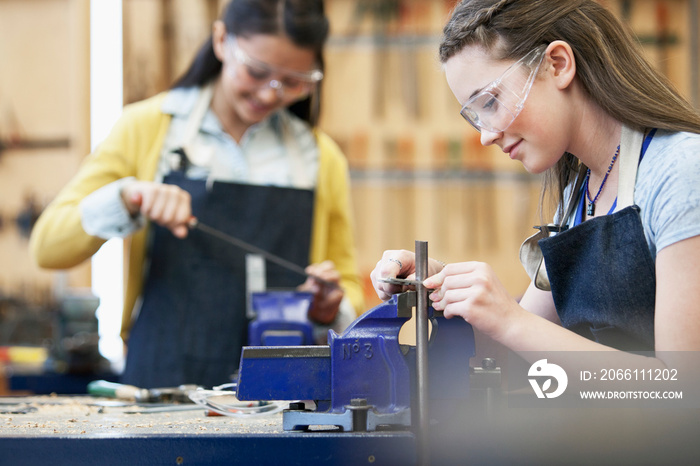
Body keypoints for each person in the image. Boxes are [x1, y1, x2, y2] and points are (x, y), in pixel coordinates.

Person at [30, 0, 364, 388]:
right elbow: (48, 247)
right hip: (161, 388)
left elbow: (346, 282)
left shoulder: (320, 158)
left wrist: (331, 307)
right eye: (256, 71)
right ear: (222, 40)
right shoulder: (147, 130)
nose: (271, 94)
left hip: (281, 396)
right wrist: (127, 197)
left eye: (293, 81)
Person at [371, 0, 700, 363]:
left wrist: (509, 319)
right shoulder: (581, 195)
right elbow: (518, 355)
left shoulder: (683, 172)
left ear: (557, 65)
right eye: (475, 117)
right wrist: (443, 287)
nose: (485, 136)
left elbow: (682, 392)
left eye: (491, 102)